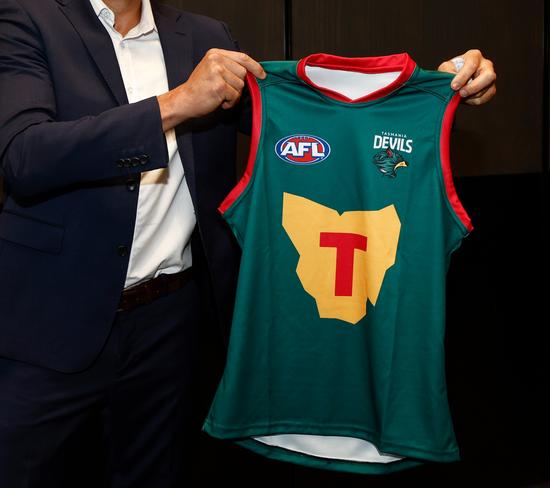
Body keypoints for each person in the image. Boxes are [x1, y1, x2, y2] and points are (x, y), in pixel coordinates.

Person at [0, 0, 497, 486]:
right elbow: (25, 157)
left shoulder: (205, 36)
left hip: (169, 322)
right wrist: (176, 104)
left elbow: (311, 111)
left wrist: (435, 89)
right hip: (52, 316)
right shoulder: (28, 17)